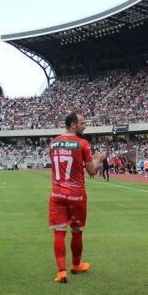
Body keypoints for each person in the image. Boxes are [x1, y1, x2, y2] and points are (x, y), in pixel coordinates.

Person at [49, 112, 106, 283]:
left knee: (59, 232)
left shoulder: (53, 143)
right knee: (76, 231)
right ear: (73, 124)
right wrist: (98, 159)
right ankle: (76, 264)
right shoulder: (82, 143)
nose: (85, 125)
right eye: (82, 122)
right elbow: (92, 171)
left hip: (57, 193)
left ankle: (61, 272)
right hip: (76, 194)